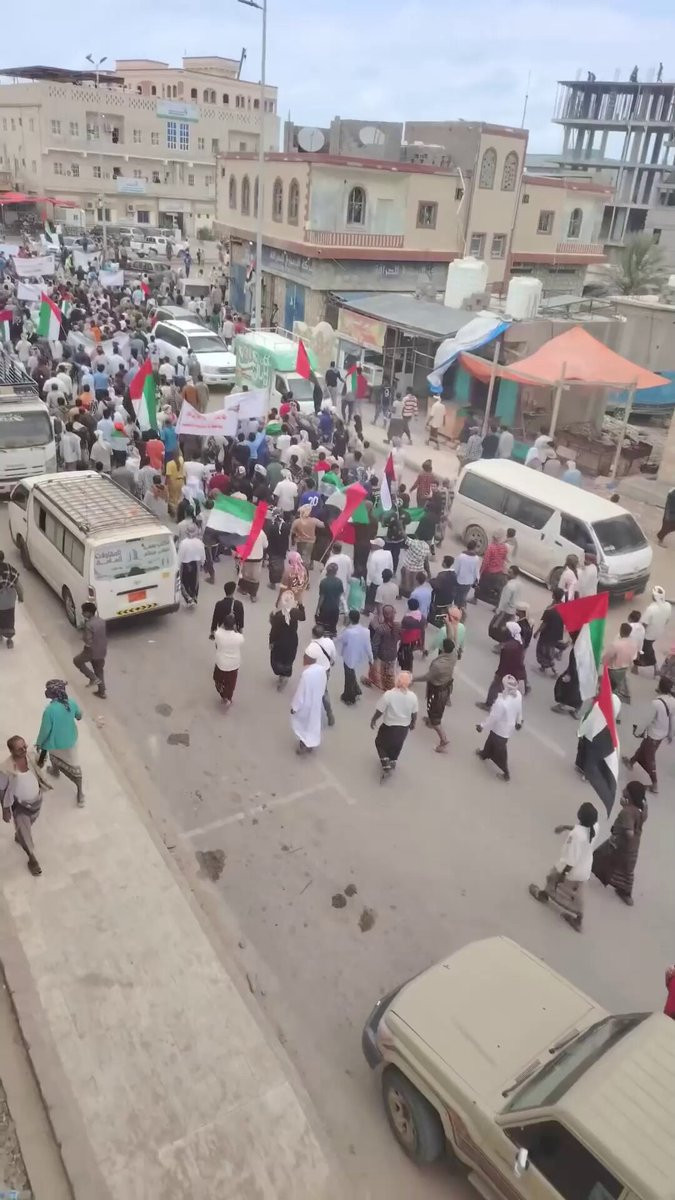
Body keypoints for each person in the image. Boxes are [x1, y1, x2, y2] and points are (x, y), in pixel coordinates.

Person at [528, 801, 599, 932]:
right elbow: (581, 829)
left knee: (552, 878)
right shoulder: (595, 826)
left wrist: (562, 874)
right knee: (576, 894)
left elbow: (571, 860)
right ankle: (578, 917)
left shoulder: (575, 836)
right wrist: (565, 827)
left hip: (572, 869)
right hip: (585, 869)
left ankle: (544, 894)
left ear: (580, 815)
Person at [0, 735, 53, 876]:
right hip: (20, 807)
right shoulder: (5, 769)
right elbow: (2, 789)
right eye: (19, 749)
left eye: (24, 746)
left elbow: (39, 765)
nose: (24, 750)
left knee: (29, 824)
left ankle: (19, 835)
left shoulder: (30, 756)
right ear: (11, 751)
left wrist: (44, 750)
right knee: (25, 833)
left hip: (36, 801)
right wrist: (5, 809)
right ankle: (32, 858)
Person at [591, 781, 648, 906]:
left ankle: (584, 871)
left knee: (600, 855)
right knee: (627, 870)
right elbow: (643, 810)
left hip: (620, 844)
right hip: (634, 847)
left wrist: (625, 810)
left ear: (630, 795)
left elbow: (629, 832)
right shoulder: (642, 810)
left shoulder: (627, 812)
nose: (623, 790)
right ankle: (625, 892)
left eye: (626, 789)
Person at [35, 680, 84, 806]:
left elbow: (44, 731)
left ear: (54, 693)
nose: (46, 692)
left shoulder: (49, 711)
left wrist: (39, 743)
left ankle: (56, 771)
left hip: (55, 742)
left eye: (48, 690)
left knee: (53, 756)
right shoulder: (71, 702)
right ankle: (80, 793)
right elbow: (79, 716)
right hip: (71, 741)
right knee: (74, 767)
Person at [623, 677, 675, 793]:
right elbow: (672, 718)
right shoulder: (672, 701)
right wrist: (670, 734)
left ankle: (655, 784)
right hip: (662, 734)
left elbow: (647, 719)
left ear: (659, 687)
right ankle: (631, 762)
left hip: (653, 734)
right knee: (643, 748)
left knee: (649, 758)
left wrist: (638, 731)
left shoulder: (656, 703)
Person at [475, 675, 523, 782]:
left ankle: (506, 773)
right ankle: (484, 754)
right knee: (491, 740)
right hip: (508, 727)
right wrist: (519, 721)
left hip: (500, 729)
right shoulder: (518, 695)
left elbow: (493, 717)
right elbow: (519, 709)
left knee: (500, 751)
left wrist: (482, 726)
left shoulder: (501, 702)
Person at [370, 671, 418, 775]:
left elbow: (380, 710)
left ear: (397, 681)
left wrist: (374, 719)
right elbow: (414, 713)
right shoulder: (413, 697)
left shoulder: (389, 695)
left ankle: (385, 763)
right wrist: (413, 723)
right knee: (397, 745)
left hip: (389, 727)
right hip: (404, 729)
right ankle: (393, 761)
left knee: (380, 743)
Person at [415, 637, 456, 753]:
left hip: (437, 692)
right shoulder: (453, 655)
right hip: (445, 687)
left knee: (435, 719)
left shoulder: (438, 665)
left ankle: (443, 740)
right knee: (433, 708)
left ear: (443, 648)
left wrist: (413, 679)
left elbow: (427, 677)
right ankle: (430, 718)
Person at [290, 645, 327, 754]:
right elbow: (323, 687)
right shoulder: (322, 670)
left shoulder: (306, 674)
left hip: (305, 706)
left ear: (306, 659)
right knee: (313, 724)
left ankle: (303, 744)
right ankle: (312, 743)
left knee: (303, 726)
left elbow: (300, 694)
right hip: (316, 703)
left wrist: (294, 707)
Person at [269, 589, 306, 689]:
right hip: (292, 640)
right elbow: (303, 617)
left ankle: (281, 675)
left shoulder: (278, 615)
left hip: (279, 641)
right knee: (288, 659)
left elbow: (274, 630)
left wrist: (271, 642)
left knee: (277, 659)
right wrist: (301, 604)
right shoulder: (295, 613)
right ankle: (285, 675)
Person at [336, 610, 373, 704]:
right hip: (359, 657)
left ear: (350, 619)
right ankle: (356, 690)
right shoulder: (366, 631)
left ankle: (349, 697)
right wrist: (371, 659)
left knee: (348, 676)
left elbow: (340, 639)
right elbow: (368, 646)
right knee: (351, 673)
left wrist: (344, 627)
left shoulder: (348, 632)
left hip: (348, 657)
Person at [634, 586, 672, 676]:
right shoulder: (668, 605)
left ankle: (653, 667)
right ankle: (636, 667)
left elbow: (644, 624)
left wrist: (638, 633)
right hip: (658, 632)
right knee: (645, 648)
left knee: (643, 649)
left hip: (648, 634)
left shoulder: (651, 609)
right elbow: (667, 620)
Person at [72, 602, 107, 699]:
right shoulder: (101, 621)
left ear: (89, 612)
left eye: (84, 612)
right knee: (99, 670)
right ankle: (102, 692)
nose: (82, 613)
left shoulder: (89, 624)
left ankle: (93, 678)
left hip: (91, 650)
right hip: (102, 649)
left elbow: (87, 639)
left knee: (77, 661)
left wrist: (83, 637)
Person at [364, 605, 400, 691]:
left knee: (384, 671)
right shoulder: (398, 626)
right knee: (389, 671)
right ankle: (387, 684)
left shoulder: (381, 629)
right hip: (393, 653)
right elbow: (400, 637)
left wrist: (372, 657)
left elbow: (375, 645)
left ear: (384, 615)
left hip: (383, 655)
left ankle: (385, 686)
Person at [212, 613, 244, 707]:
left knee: (217, 678)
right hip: (234, 664)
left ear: (224, 624)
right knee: (231, 683)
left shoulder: (218, 634)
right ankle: (228, 698)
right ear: (234, 626)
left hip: (221, 663)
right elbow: (240, 638)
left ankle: (222, 693)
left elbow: (216, 643)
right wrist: (235, 629)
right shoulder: (239, 637)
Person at [603, 622, 637, 702]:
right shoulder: (634, 643)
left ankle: (610, 699)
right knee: (619, 682)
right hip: (625, 667)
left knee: (611, 685)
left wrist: (603, 662)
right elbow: (634, 657)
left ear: (621, 631)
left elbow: (607, 656)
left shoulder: (615, 644)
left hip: (614, 669)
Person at [534, 589, 565, 673]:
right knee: (549, 650)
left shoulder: (550, 609)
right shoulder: (564, 606)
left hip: (547, 633)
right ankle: (544, 667)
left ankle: (553, 668)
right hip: (557, 633)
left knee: (543, 650)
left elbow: (544, 623)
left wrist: (537, 632)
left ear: (553, 596)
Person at [473, 531, 508, 606]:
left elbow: (485, 561)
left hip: (489, 571)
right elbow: (504, 559)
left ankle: (475, 599)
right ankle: (496, 606)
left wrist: (480, 572)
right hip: (499, 571)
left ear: (494, 538)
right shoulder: (504, 547)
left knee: (479, 585)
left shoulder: (491, 547)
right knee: (497, 590)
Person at [236, 525, 268, 602]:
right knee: (255, 577)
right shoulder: (261, 533)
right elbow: (265, 545)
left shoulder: (244, 532)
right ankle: (253, 595)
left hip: (246, 557)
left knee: (245, 574)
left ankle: (243, 589)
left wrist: (238, 556)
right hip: (257, 558)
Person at [551, 640, 582, 718]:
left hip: (576, 672)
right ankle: (576, 710)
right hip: (581, 673)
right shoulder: (587, 649)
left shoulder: (577, 650)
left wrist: (569, 674)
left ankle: (562, 705)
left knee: (566, 687)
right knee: (578, 690)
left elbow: (573, 664)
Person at [178, 523, 206, 606]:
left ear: (187, 532)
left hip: (185, 565)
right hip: (196, 564)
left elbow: (180, 556)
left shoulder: (183, 543)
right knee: (195, 582)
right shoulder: (199, 542)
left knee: (184, 582)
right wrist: (202, 563)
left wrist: (178, 566)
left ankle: (188, 598)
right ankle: (194, 597)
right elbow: (203, 555)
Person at [0, 551, 23, 649]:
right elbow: (18, 586)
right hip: (9, 600)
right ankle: (9, 640)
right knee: (9, 618)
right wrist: (21, 597)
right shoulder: (9, 568)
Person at [290, 505, 324, 569]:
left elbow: (292, 532)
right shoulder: (314, 520)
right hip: (310, 541)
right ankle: (305, 568)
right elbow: (322, 525)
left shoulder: (297, 521)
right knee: (307, 556)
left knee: (299, 554)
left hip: (300, 540)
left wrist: (292, 541)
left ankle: (298, 567)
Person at [365, 538, 394, 612]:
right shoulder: (388, 553)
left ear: (377, 546)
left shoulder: (373, 555)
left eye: (373, 544)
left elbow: (371, 571)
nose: (372, 545)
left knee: (371, 597)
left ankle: (368, 610)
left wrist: (368, 582)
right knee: (382, 598)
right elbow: (391, 566)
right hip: (385, 579)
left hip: (376, 581)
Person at [316, 563, 344, 636]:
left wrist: (317, 609)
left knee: (323, 629)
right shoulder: (339, 582)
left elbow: (322, 597)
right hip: (335, 609)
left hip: (325, 609)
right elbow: (340, 596)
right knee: (332, 630)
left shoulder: (323, 582)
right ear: (336, 572)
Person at [398, 598, 424, 670]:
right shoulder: (422, 617)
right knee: (410, 652)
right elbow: (422, 629)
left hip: (406, 639)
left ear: (409, 606)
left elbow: (402, 629)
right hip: (416, 638)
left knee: (403, 654)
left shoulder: (406, 618)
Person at [452, 542, 480, 608]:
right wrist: (476, 580)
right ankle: (462, 608)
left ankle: (459, 609)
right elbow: (476, 571)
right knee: (463, 596)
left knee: (457, 598)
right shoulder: (476, 558)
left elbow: (455, 569)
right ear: (474, 548)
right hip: (469, 582)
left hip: (459, 580)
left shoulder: (461, 556)